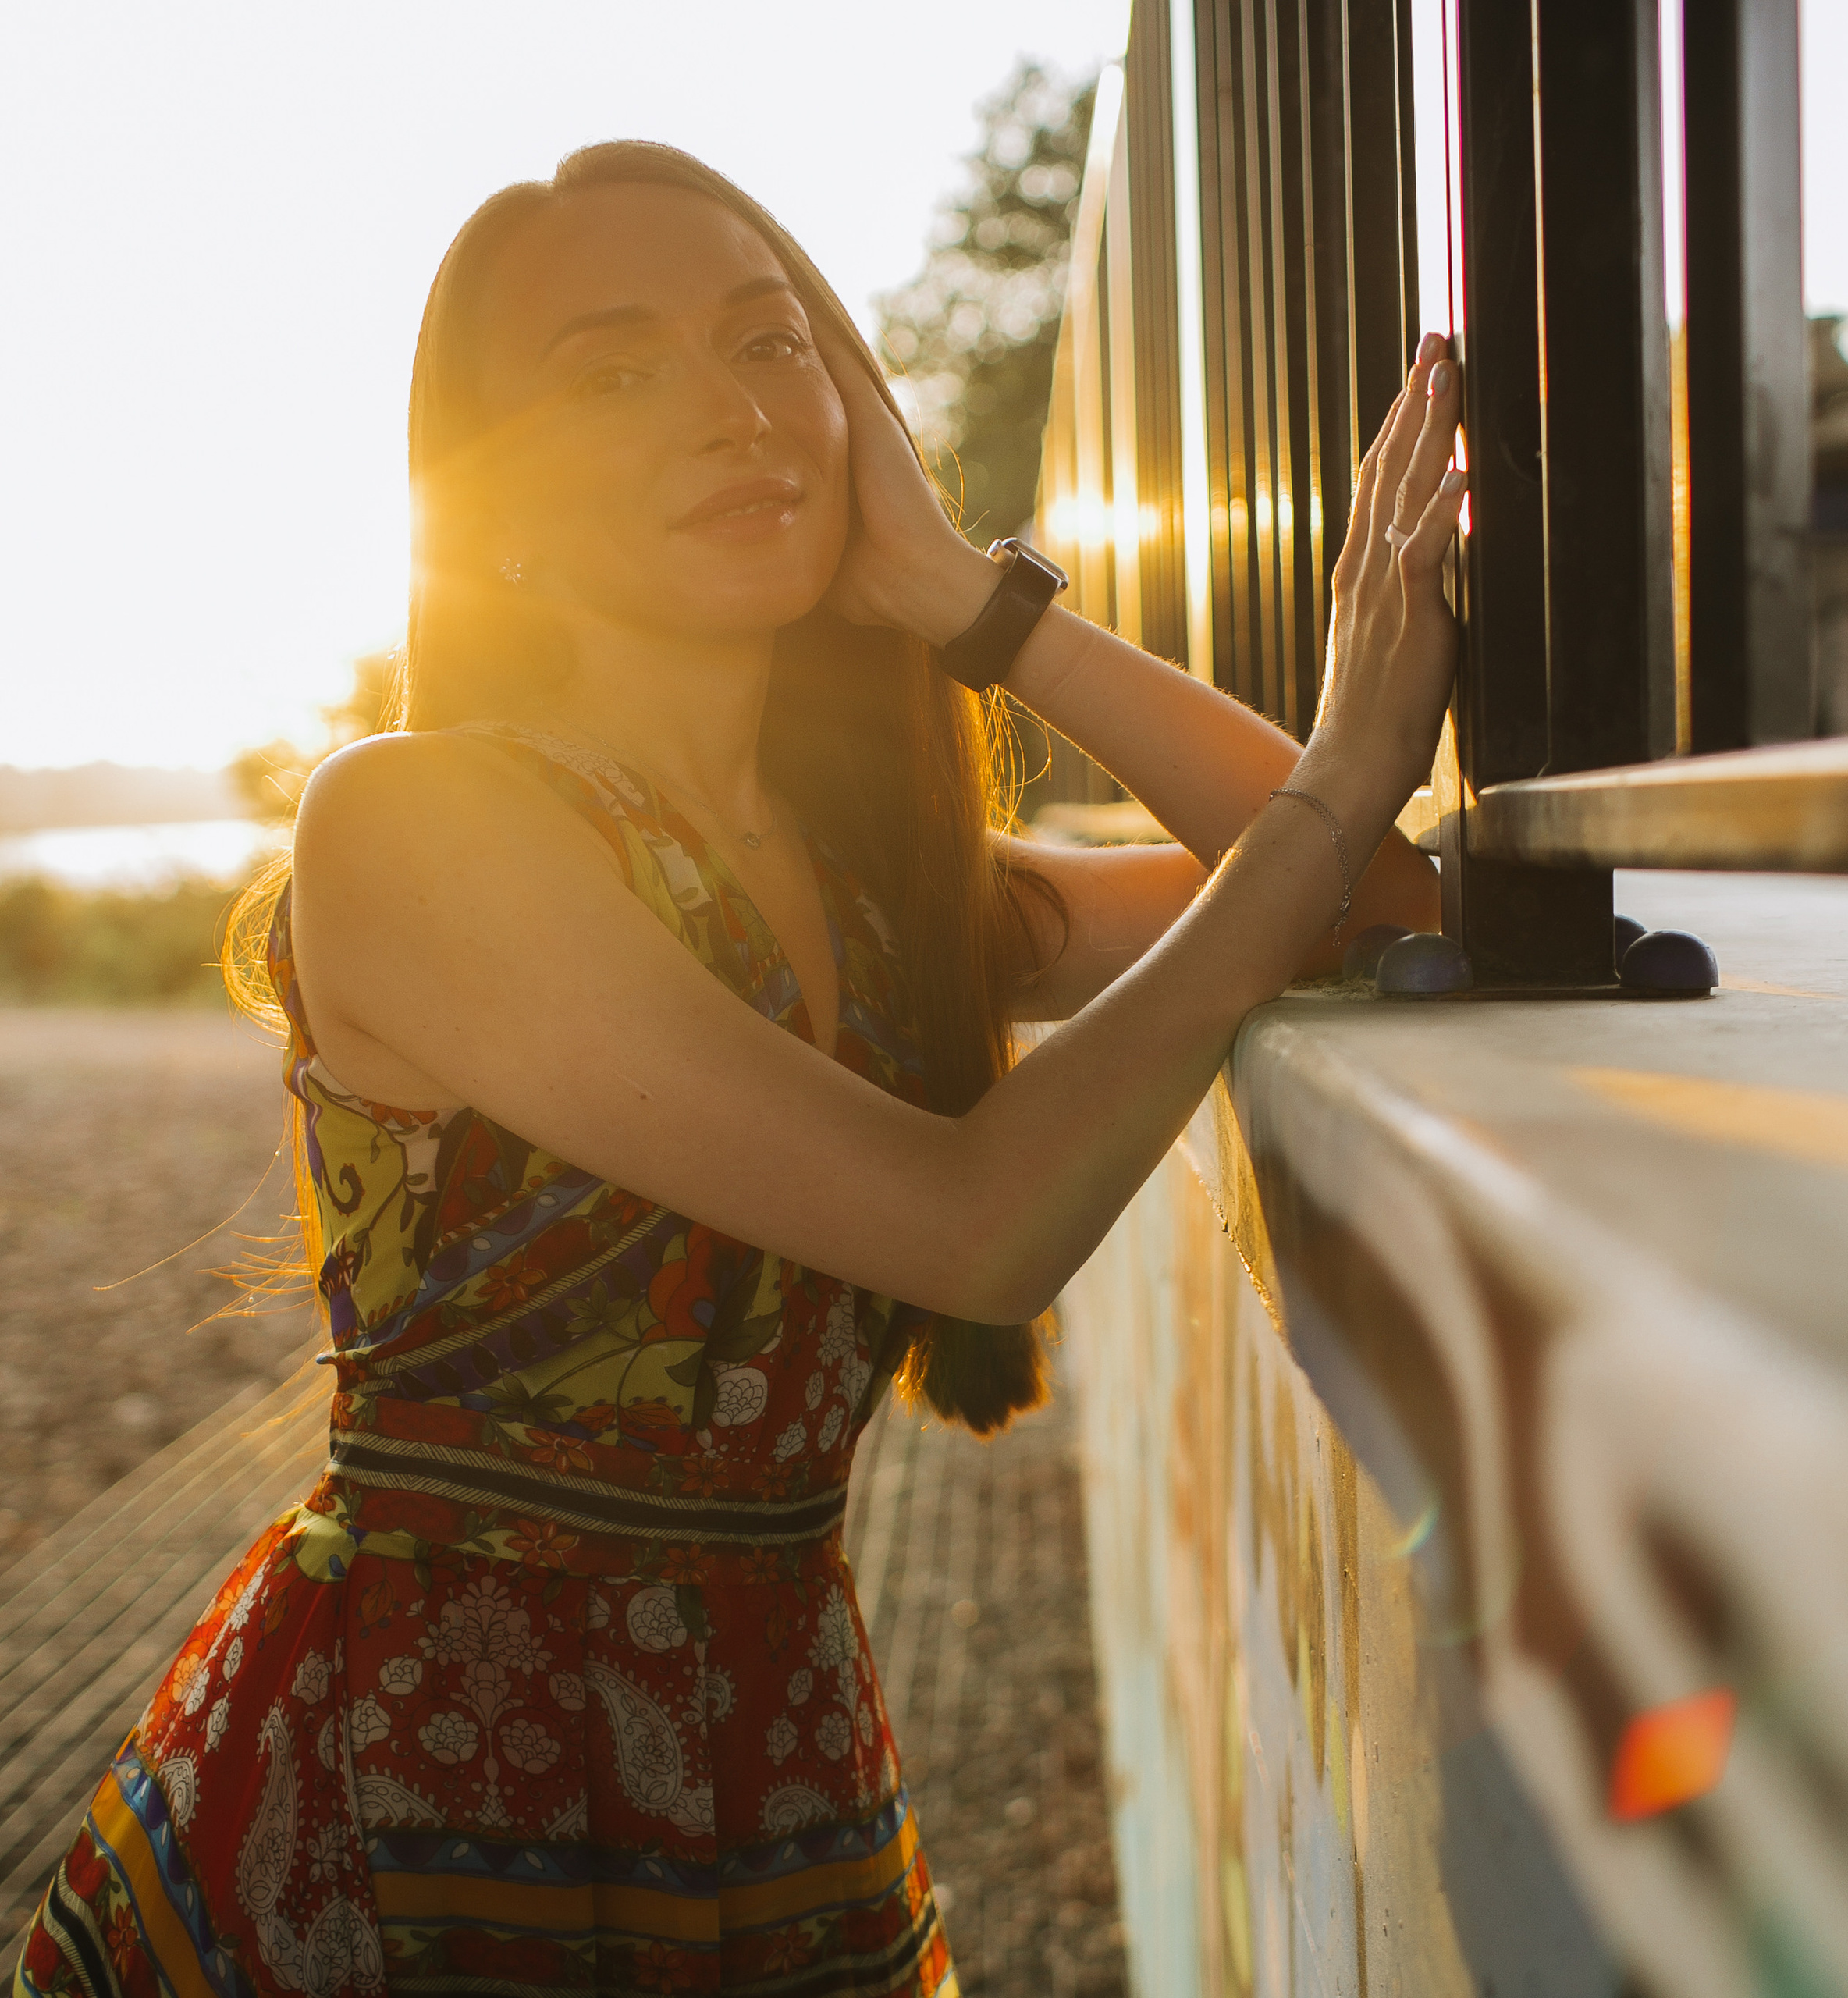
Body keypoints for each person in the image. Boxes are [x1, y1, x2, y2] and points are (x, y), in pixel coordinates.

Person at [16, 141, 1462, 1998]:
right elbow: (977, 1221)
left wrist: (970, 602)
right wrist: (1337, 764)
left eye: (769, 344)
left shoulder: (880, 883)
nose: (729, 408)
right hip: (416, 1793)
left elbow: (1366, 896)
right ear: (492, 503)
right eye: (615, 369)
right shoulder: (407, 821)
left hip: (773, 1756)